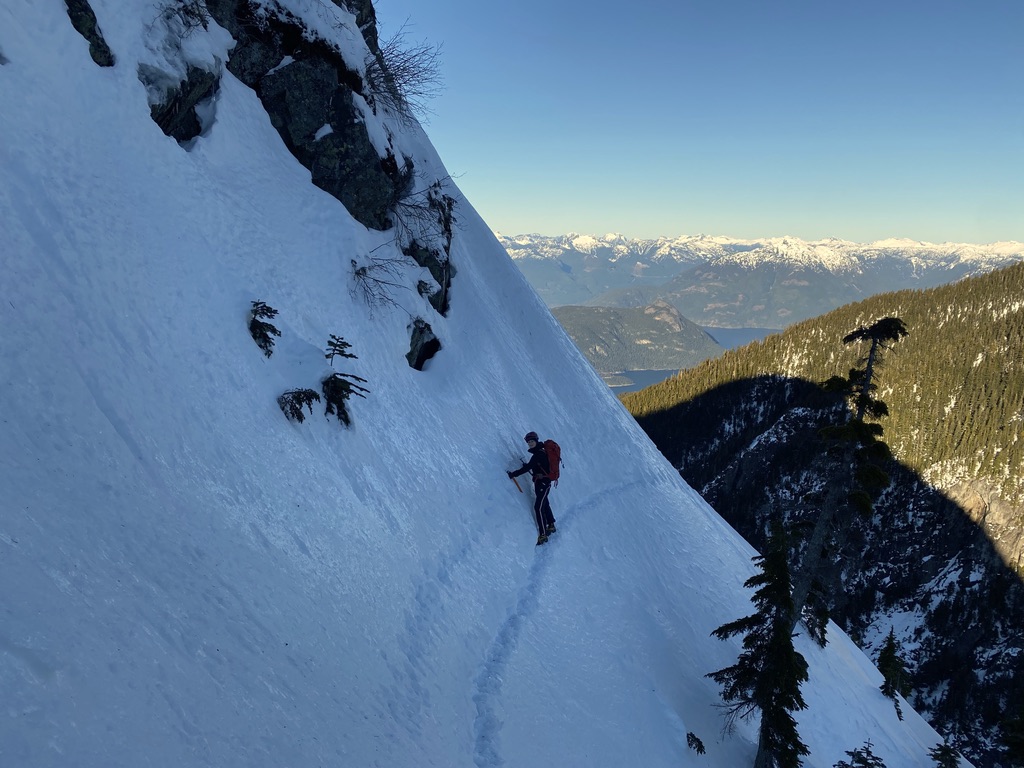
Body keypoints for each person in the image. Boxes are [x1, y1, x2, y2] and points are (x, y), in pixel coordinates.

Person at [508, 431, 557, 545]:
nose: (530, 443)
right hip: (542, 483)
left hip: (543, 483)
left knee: (538, 507)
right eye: (528, 442)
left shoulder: (538, 454)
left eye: (532, 441)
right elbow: (535, 466)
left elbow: (529, 467)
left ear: (536, 441)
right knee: (544, 503)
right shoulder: (540, 453)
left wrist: (513, 474)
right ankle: (551, 524)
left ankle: (543, 534)